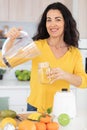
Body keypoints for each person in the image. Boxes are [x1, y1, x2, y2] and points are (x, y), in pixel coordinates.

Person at [0, 2, 87, 113]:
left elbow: (84, 81)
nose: (52, 24)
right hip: (35, 108)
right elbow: (4, 62)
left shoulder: (74, 53)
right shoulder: (37, 46)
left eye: (58, 19)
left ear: (66, 23)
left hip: (60, 108)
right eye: (49, 20)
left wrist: (65, 75)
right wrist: (11, 41)